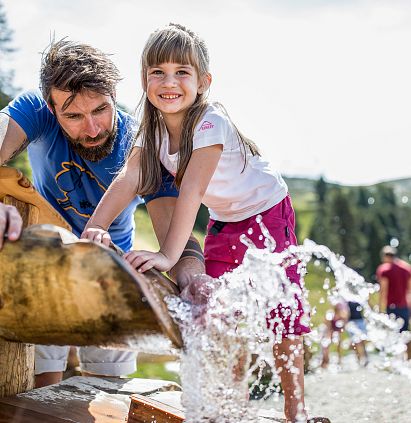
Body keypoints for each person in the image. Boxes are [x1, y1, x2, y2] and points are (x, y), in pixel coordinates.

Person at [82, 24, 310, 422]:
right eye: (158, 72)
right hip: (226, 220)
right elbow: (128, 180)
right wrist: (92, 229)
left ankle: (296, 409)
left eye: (181, 72)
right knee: (214, 308)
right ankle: (228, 405)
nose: (169, 82)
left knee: (281, 308)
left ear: (204, 81)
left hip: (267, 212)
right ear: (144, 79)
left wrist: (168, 256)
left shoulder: (210, 122)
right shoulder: (150, 129)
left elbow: (190, 194)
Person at [0, 39, 204, 388]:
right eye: (74, 116)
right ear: (51, 109)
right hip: (43, 260)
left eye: (100, 110)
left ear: (113, 95)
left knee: (109, 389)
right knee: (38, 384)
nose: (92, 128)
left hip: (112, 271)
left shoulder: (142, 142)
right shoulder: (34, 108)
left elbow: (175, 230)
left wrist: (193, 274)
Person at [376, 245, 411, 359]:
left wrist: (380, 308)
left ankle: (397, 360)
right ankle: (408, 358)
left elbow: (383, 290)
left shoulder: (385, 269)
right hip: (405, 307)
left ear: (385, 256)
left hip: (392, 307)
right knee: (405, 333)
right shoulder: (406, 268)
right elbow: (409, 290)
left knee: (393, 334)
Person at [320, 299, 349, 368]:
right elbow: (327, 325)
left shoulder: (341, 315)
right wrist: (329, 334)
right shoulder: (331, 315)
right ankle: (325, 361)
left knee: (338, 346)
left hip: (337, 332)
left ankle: (339, 360)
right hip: (330, 331)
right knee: (326, 346)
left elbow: (344, 324)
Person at [345, 301, 368, 366]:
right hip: (352, 322)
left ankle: (365, 358)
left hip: (360, 321)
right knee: (356, 342)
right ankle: (359, 359)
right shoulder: (348, 299)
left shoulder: (358, 297)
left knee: (362, 341)